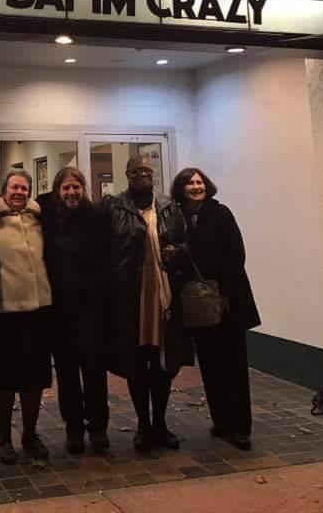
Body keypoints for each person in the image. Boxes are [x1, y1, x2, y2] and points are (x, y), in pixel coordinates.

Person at [169, 167, 260, 451]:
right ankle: (221, 421)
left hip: (228, 302)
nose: (196, 186)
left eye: (199, 182)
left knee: (233, 365)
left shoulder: (221, 213)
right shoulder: (177, 218)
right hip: (197, 304)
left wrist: (223, 292)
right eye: (190, 183)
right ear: (181, 189)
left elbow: (236, 256)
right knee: (210, 365)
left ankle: (241, 428)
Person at [101, 155, 187, 452]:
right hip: (130, 298)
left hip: (163, 297)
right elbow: (103, 248)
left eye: (148, 170)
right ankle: (142, 425)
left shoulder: (168, 206)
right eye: (137, 171)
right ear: (127, 175)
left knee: (162, 363)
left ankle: (160, 424)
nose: (143, 175)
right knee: (136, 362)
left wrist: (178, 250)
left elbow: (186, 241)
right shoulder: (114, 207)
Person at [37, 167, 110, 455]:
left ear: (84, 189)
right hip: (60, 311)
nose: (71, 193)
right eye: (66, 188)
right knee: (67, 373)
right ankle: (74, 429)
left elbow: (107, 259)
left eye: (76, 187)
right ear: (58, 191)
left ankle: (98, 428)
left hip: (91, 310)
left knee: (95, 371)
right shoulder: (48, 215)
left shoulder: (97, 217)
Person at [0, 170, 53, 465]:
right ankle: (4, 437)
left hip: (39, 311)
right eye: (14, 187)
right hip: (5, 312)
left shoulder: (37, 218)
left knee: (34, 379)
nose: (19, 192)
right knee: (3, 380)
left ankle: (30, 434)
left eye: (24, 188)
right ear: (4, 190)